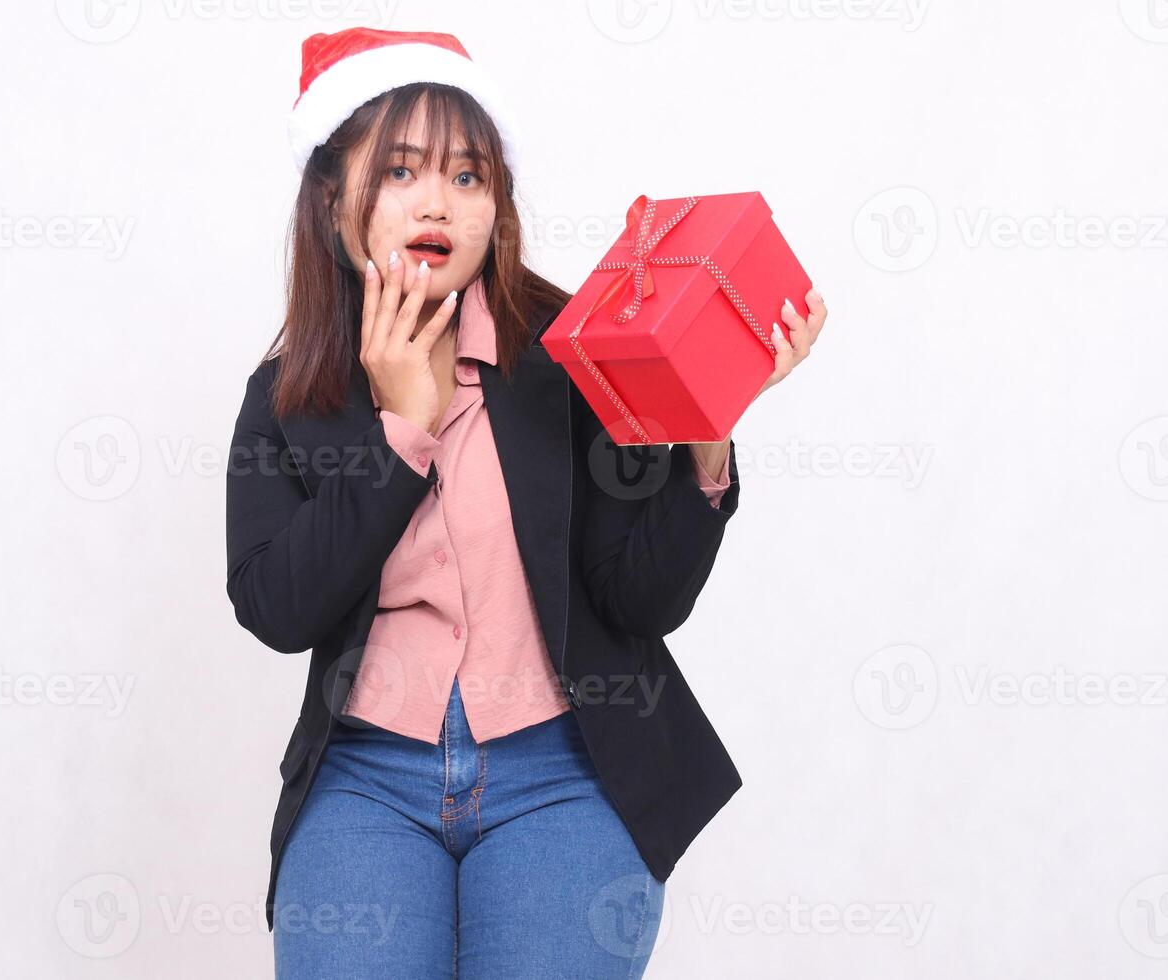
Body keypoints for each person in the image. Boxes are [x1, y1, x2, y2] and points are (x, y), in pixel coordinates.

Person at [225, 27, 827, 978]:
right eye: (402, 172)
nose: (438, 201)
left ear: (496, 208)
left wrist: (707, 433)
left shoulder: (564, 357)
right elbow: (276, 609)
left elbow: (640, 601)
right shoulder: (286, 398)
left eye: (468, 177)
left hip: (565, 775)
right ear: (335, 196)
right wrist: (402, 434)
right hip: (367, 782)